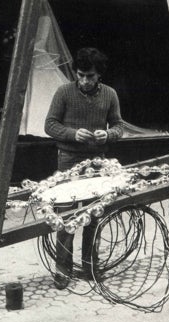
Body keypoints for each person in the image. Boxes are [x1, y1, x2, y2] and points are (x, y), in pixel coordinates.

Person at [44, 47, 124, 289]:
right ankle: (62, 270)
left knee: (93, 216)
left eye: (90, 76)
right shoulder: (63, 92)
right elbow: (49, 125)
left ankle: (90, 265)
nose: (85, 81)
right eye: (80, 75)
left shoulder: (110, 94)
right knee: (66, 217)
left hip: (98, 163)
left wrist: (108, 134)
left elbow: (119, 126)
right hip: (68, 160)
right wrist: (72, 133)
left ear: (99, 74)